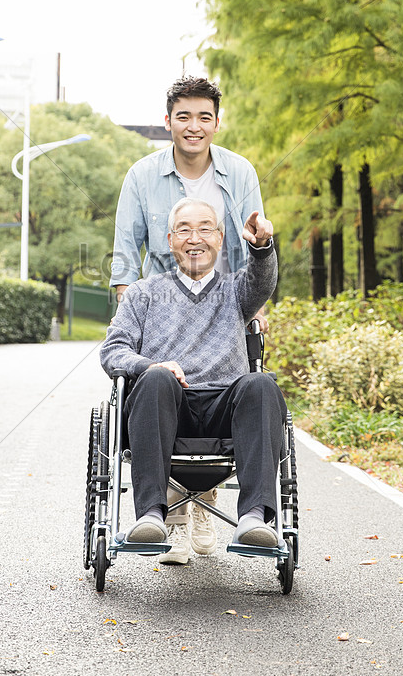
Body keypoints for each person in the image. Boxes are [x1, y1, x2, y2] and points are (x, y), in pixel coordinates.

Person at [109, 76, 268, 564]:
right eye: (184, 116)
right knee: (158, 381)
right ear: (168, 122)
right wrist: (131, 309)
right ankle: (164, 515)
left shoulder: (239, 173)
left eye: (204, 116)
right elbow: (125, 247)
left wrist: (257, 294)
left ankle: (231, 511)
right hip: (160, 311)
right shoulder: (142, 175)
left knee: (253, 386)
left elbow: (256, 247)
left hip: (228, 299)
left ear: (217, 122)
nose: (194, 126)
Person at [100, 198, 286, 555]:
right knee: (154, 378)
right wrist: (150, 366)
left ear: (219, 238)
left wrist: (262, 247)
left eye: (205, 229)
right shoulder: (142, 294)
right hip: (165, 407)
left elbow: (264, 281)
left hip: (226, 412)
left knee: (261, 383)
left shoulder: (236, 290)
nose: (194, 237)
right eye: (184, 229)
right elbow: (113, 351)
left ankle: (253, 520)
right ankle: (152, 517)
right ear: (170, 240)